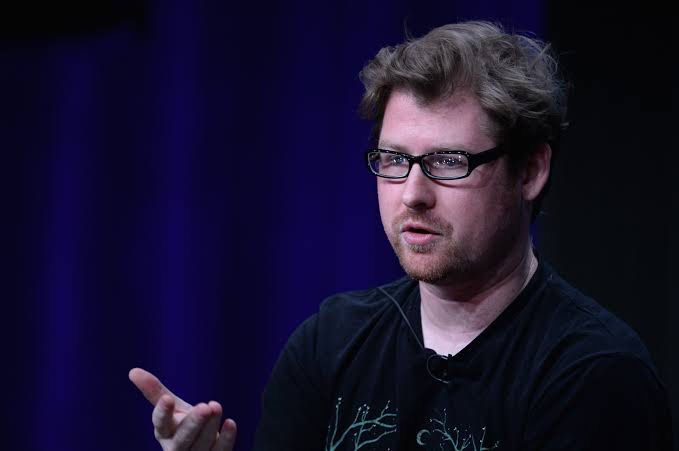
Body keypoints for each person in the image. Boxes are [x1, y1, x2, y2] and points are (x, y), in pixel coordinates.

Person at [129, 21, 674, 450]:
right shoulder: (328, 344)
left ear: (530, 171)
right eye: (394, 159)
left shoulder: (594, 375)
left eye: (448, 161)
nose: (412, 193)